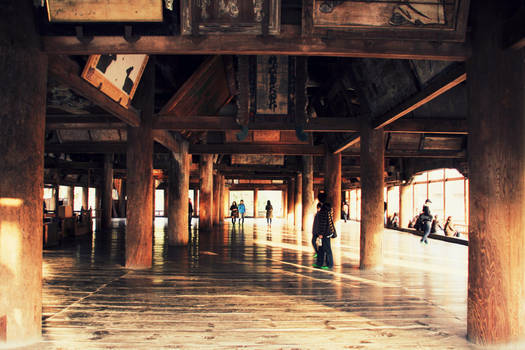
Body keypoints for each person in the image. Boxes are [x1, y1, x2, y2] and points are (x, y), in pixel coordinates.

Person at [312, 192, 337, 270]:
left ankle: (330, 264)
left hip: (325, 233)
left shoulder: (323, 209)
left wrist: (321, 233)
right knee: (321, 248)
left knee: (327, 248)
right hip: (326, 232)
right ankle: (319, 263)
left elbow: (323, 223)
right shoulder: (327, 208)